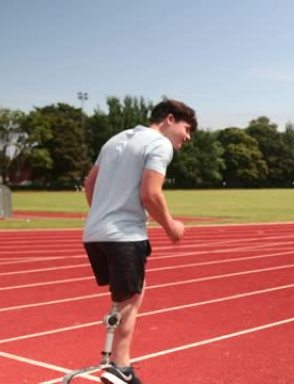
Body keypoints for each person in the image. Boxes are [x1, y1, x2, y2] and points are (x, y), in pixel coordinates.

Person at [82, 99, 197, 384]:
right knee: (131, 300)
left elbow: (89, 184)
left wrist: (101, 213)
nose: (188, 137)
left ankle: (115, 362)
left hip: (96, 233)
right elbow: (151, 194)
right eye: (187, 128)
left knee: (123, 299)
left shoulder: (114, 140)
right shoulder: (159, 144)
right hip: (125, 235)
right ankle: (119, 367)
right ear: (170, 119)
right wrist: (172, 227)